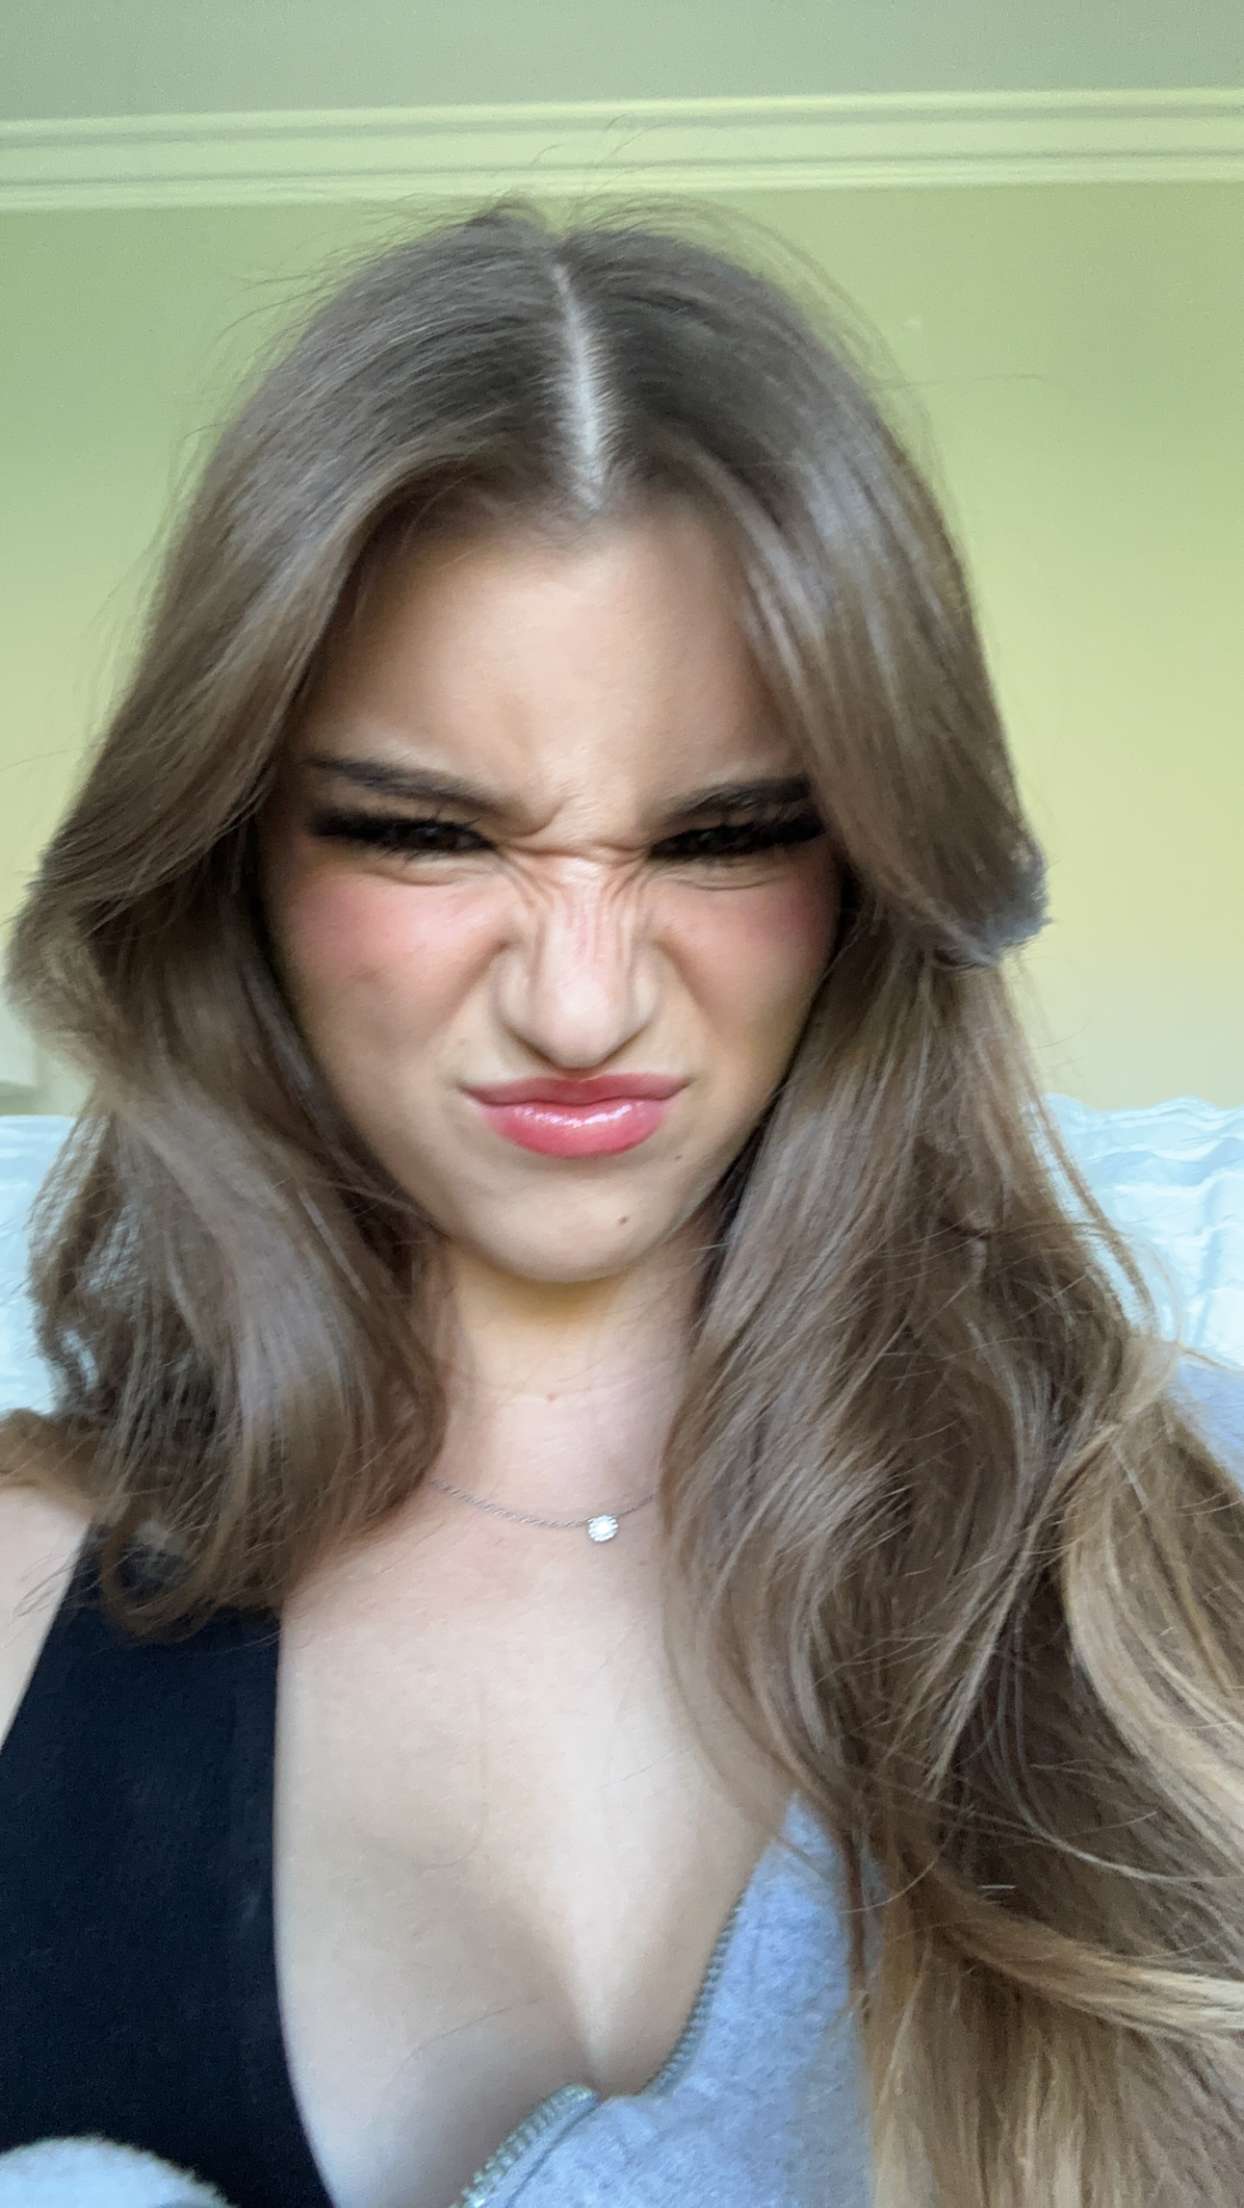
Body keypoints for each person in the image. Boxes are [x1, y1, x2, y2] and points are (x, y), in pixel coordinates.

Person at [0, 197, 1241, 2208]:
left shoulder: (1182, 1547)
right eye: (422, 832)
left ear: (873, 876)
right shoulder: (17, 1598)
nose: (581, 1004)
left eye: (726, 835)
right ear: (233, 859)